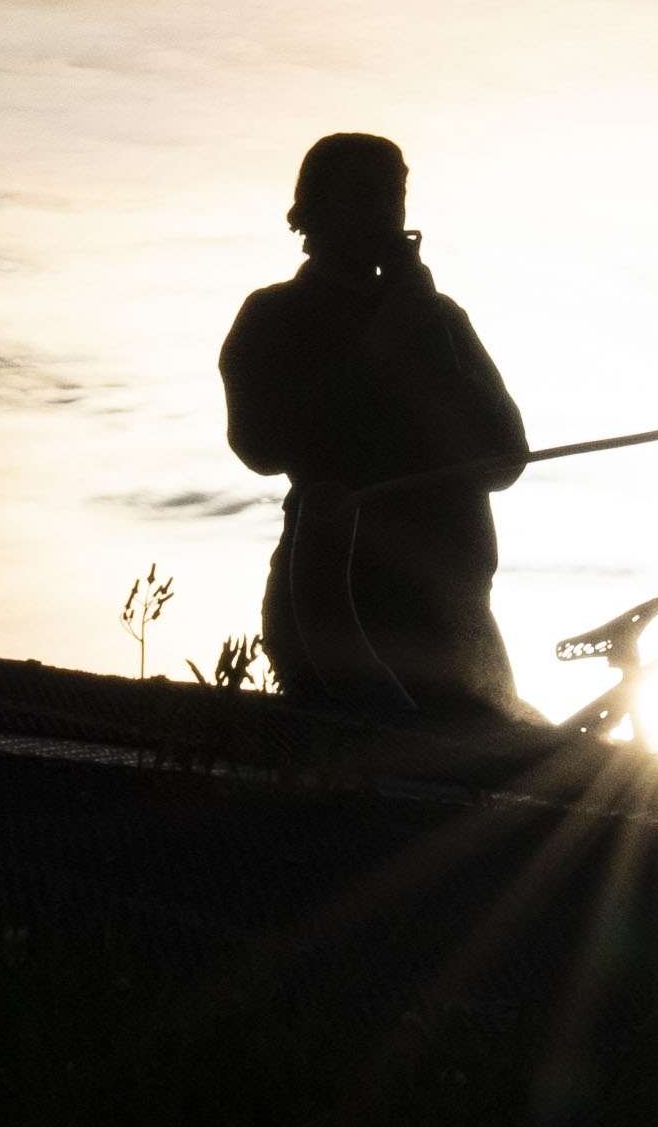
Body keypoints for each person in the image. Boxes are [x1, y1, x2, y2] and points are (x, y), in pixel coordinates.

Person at [220, 132, 533, 719]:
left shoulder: (440, 318)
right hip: (336, 606)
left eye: (395, 194)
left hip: (455, 615)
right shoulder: (275, 314)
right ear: (313, 212)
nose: (387, 211)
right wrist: (376, 356)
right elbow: (258, 444)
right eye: (366, 195)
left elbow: (507, 458)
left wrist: (426, 343)